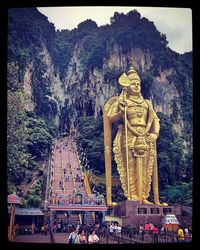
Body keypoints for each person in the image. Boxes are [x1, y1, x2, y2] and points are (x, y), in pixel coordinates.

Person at [104, 67, 167, 205]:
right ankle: (132, 196)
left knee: (146, 168)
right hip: (128, 136)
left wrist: (155, 133)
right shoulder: (123, 102)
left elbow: (155, 120)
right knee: (130, 167)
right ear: (128, 86)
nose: (137, 86)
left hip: (145, 136)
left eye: (138, 83)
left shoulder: (147, 103)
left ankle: (144, 196)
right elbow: (110, 118)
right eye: (133, 83)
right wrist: (122, 110)